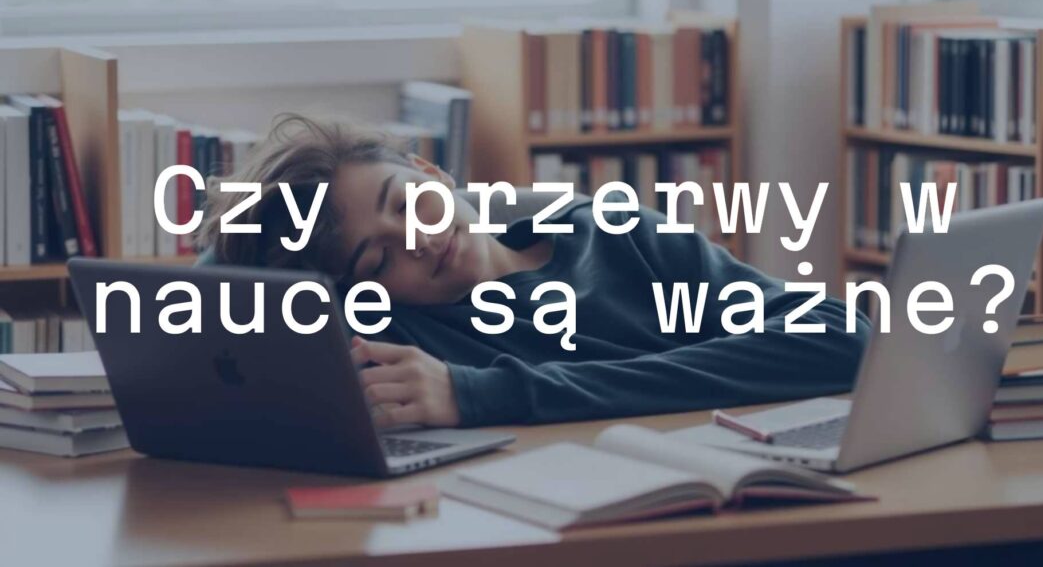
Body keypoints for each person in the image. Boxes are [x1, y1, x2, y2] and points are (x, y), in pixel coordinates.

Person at [198, 114, 871, 429]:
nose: (420, 239)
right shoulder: (396, 332)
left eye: (407, 201)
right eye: (378, 257)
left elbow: (845, 338)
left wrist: (484, 394)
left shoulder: (618, 235)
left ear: (434, 171)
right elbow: (223, 286)